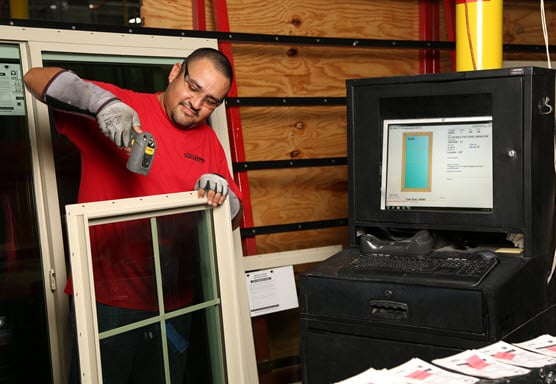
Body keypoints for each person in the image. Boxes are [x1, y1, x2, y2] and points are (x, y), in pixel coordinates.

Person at [24, 47, 243, 383]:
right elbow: (34, 78)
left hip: (175, 303)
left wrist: (222, 194)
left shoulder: (208, 141)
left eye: (211, 100)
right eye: (193, 87)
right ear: (174, 73)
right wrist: (102, 104)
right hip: (108, 299)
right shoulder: (125, 105)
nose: (197, 104)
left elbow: (234, 218)